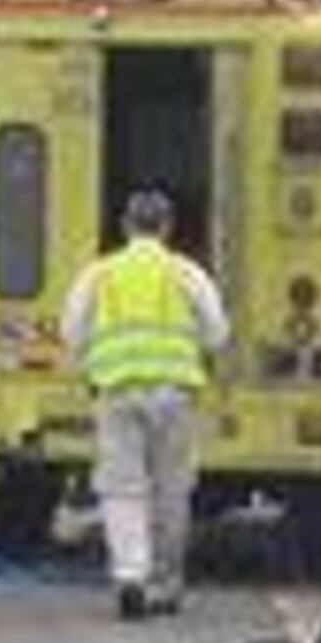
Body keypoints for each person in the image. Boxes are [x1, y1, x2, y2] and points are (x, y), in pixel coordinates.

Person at [61, 188, 231, 620]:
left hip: (116, 391)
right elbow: (216, 334)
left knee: (122, 488)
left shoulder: (100, 275)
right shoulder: (186, 274)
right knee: (172, 489)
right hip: (175, 395)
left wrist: (92, 366)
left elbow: (72, 332)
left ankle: (130, 576)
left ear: (125, 226)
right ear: (167, 227)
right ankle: (166, 584)